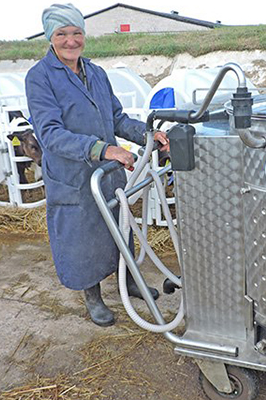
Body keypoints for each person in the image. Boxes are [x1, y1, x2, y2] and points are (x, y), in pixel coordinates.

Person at [26, 3, 169, 327]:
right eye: (62, 34)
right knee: (80, 238)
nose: (71, 40)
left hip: (106, 172)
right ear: (51, 37)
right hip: (72, 176)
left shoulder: (97, 73)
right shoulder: (40, 77)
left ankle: (129, 282)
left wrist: (148, 133)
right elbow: (50, 134)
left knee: (119, 227)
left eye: (76, 33)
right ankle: (92, 296)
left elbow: (116, 117)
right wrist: (102, 149)